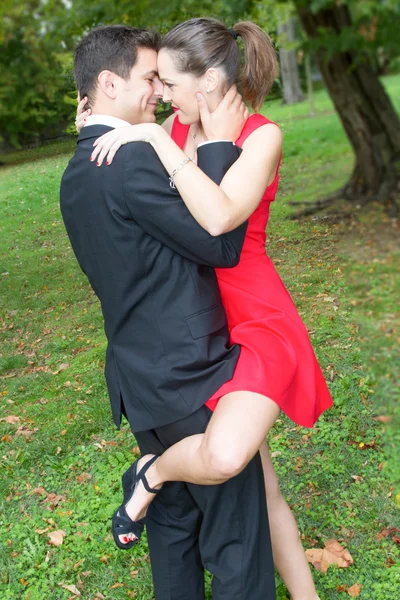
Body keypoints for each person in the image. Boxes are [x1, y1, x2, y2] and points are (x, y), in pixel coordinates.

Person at [85, 17, 334, 600]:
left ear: (209, 81)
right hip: (201, 321)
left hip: (257, 318)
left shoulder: (261, 136)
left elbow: (221, 219)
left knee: (225, 455)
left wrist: (156, 147)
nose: (161, 96)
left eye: (169, 83)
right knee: (262, 487)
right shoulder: (174, 125)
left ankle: (152, 473)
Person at [61, 24, 277, 600]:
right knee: (236, 545)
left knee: (175, 531)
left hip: (140, 382)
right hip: (191, 373)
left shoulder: (76, 171)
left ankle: (148, 485)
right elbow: (221, 243)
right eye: (148, 77)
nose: (157, 90)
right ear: (109, 83)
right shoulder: (133, 163)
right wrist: (219, 144)